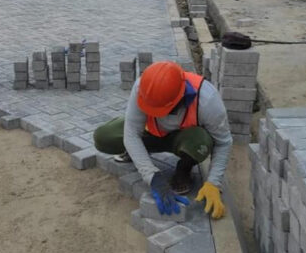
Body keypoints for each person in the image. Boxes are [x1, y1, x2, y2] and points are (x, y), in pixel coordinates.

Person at [93, 61, 232, 218]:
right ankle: (136, 153)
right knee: (103, 137)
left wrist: (214, 182)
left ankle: (184, 169)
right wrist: (152, 176)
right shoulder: (143, 88)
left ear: (179, 99)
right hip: (150, 134)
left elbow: (223, 142)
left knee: (201, 142)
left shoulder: (207, 100)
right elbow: (131, 133)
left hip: (183, 139)